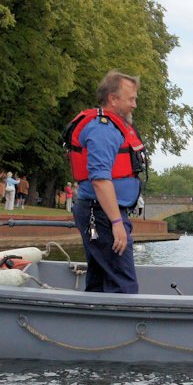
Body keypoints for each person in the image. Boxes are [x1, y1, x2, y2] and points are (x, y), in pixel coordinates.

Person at [66, 70, 146, 293]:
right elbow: (100, 179)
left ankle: (94, 326)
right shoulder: (103, 129)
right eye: (131, 99)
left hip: (100, 213)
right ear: (113, 99)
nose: (134, 105)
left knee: (100, 279)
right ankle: (125, 326)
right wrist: (116, 223)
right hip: (101, 214)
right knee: (124, 285)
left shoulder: (110, 127)